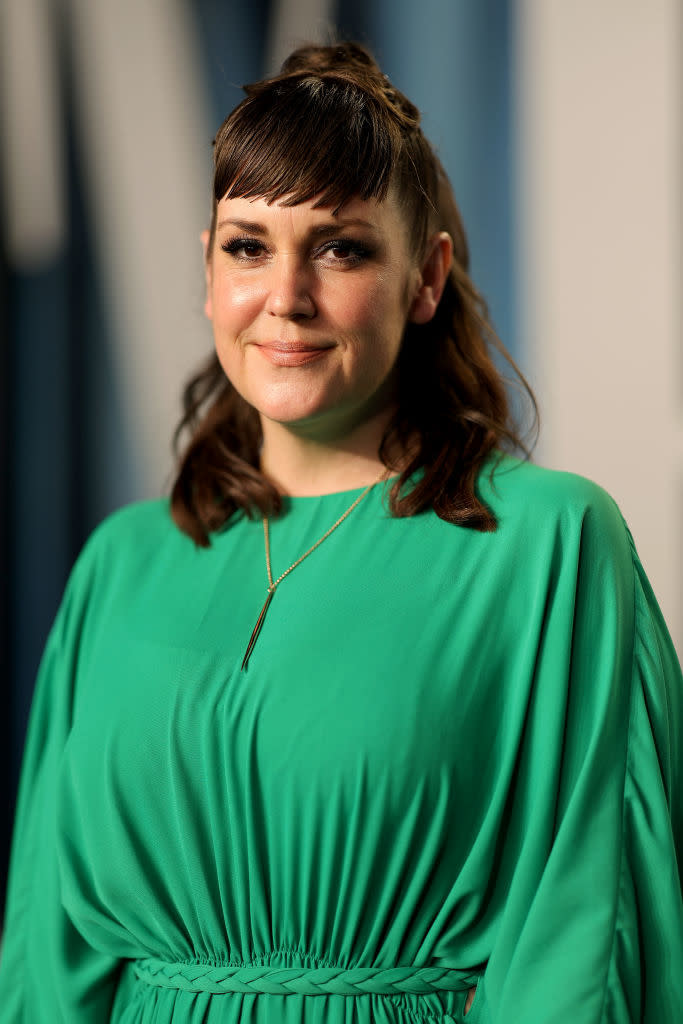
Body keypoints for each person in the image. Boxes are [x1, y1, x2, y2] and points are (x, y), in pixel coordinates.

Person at [0, 40, 681, 1024]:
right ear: (206, 270)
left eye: (341, 247)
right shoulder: (121, 563)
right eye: (247, 246)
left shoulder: (552, 548)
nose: (286, 297)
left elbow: (580, 948)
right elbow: (45, 954)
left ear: (425, 275)